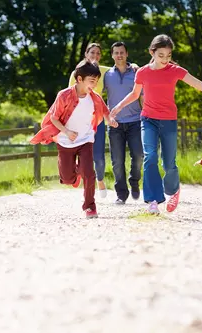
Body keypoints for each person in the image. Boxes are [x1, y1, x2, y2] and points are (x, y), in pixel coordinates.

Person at [110, 34, 202, 214]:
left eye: (168, 55)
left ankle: (173, 191)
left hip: (168, 121)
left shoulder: (175, 71)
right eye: (161, 55)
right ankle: (153, 201)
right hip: (148, 119)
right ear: (152, 52)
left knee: (169, 164)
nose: (165, 59)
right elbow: (135, 94)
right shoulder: (142, 72)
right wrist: (118, 107)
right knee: (150, 157)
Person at [31, 60, 118, 219]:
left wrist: (110, 120)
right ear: (79, 79)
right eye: (91, 80)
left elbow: (105, 112)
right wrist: (66, 131)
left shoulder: (95, 97)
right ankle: (75, 174)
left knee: (89, 173)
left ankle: (90, 207)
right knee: (67, 178)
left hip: (85, 139)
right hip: (65, 140)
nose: (95, 84)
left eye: (96, 81)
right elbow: (54, 118)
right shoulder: (64, 95)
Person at [103, 41, 143, 205]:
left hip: (135, 121)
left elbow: (143, 95)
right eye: (116, 53)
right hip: (115, 124)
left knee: (139, 156)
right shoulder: (106, 75)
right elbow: (96, 95)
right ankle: (121, 194)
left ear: (126, 54)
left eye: (122, 52)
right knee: (117, 161)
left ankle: (134, 180)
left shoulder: (136, 72)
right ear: (112, 55)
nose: (119, 55)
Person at [68, 43, 110, 198]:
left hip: (97, 120)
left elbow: (121, 70)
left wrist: (132, 65)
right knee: (81, 152)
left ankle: (100, 179)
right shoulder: (76, 73)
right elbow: (69, 94)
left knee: (98, 156)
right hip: (80, 120)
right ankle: (78, 172)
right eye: (92, 52)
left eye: (98, 53)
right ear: (86, 54)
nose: (95, 55)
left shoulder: (106, 72)